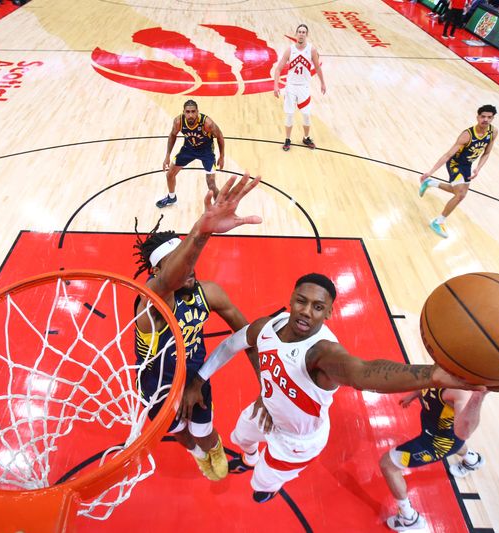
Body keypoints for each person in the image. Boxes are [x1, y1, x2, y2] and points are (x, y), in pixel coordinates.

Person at [181, 273, 499, 504]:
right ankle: (252, 454)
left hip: (298, 439)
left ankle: (268, 483)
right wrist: (200, 380)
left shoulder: (324, 353)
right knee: (242, 439)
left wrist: (434, 375)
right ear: (291, 298)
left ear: (329, 313)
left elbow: (364, 373)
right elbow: (232, 344)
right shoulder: (268, 326)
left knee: (261, 484)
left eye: (318, 307)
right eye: (301, 301)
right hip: (265, 410)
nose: (306, 312)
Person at [135, 174, 261, 481]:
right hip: (156, 386)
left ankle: (210, 449)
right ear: (156, 271)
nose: (187, 266)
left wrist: (265, 386)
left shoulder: (210, 293)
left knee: (205, 432)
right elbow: (169, 281)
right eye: (175, 261)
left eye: (186, 257)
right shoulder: (151, 305)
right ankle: (196, 453)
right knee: (180, 433)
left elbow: (248, 337)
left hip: (194, 374)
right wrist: (200, 233)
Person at [379, 388, 489, 531]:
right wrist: (414, 395)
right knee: (452, 440)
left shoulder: (462, 393)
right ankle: (473, 461)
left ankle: (408, 518)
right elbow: (428, 381)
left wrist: (478, 397)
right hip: (439, 433)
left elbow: (464, 432)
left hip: (436, 445)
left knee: (387, 465)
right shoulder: (443, 369)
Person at [418, 105, 498, 238]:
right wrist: (430, 171)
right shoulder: (467, 135)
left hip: (467, 164)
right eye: (483, 116)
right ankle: (438, 222)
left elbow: (486, 153)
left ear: (493, 118)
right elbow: (448, 155)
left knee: (459, 193)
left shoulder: (493, 132)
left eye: (489, 117)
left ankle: (431, 183)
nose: (486, 120)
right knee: (460, 195)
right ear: (477, 117)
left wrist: (478, 168)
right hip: (455, 163)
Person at [157, 99, 225, 208]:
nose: (190, 115)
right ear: (183, 112)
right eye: (188, 112)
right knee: (170, 174)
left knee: (211, 183)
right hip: (188, 149)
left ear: (197, 112)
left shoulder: (207, 123)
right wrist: (167, 156)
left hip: (206, 151)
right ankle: (171, 197)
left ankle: (220, 207)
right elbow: (172, 135)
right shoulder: (178, 122)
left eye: (193, 111)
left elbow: (220, 136)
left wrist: (222, 156)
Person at [272, 23, 326, 151]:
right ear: (296, 34)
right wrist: (276, 85)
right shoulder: (290, 50)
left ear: (306, 35)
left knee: (306, 114)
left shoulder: (312, 50)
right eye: (299, 32)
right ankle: (287, 139)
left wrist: (323, 83)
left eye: (303, 32)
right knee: (289, 114)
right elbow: (278, 69)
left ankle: (306, 137)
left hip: (304, 87)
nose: (301, 34)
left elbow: (317, 68)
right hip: (291, 87)